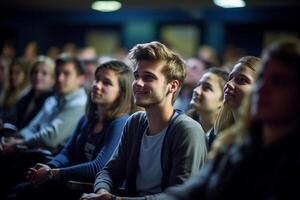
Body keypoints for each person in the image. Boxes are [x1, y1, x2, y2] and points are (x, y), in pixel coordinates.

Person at [162, 39, 300, 200]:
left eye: (277, 82)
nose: (262, 88)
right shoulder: (234, 145)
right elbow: (189, 192)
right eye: (262, 78)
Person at [80, 41, 207, 200]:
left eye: (148, 77)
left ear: (172, 86)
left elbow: (178, 196)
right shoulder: (135, 122)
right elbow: (108, 172)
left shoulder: (187, 130)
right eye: (137, 76)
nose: (138, 83)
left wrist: (114, 199)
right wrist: (102, 192)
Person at [7, 60, 136, 200]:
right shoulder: (87, 119)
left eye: (107, 82)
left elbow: (98, 167)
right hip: (68, 183)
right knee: (17, 190)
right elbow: (67, 152)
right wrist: (49, 166)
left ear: (122, 92)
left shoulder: (121, 123)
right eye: (97, 79)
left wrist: (52, 173)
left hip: (88, 192)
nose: (97, 85)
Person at [0, 54, 88, 198]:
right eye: (58, 73)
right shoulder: (53, 100)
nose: (60, 78)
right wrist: (13, 139)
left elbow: (50, 137)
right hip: (32, 155)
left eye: (66, 74)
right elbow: (32, 127)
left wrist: (17, 144)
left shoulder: (79, 104)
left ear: (80, 78)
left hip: (48, 161)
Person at [207, 56, 261, 149]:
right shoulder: (215, 134)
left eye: (242, 80)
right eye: (230, 78)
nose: (229, 84)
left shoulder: (262, 142)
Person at [2, 55, 55, 129]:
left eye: (44, 73)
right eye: (35, 72)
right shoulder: (27, 97)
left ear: (53, 79)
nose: (38, 76)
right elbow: (12, 117)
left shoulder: (52, 102)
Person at [186, 67, 229, 134]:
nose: (196, 90)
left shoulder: (226, 137)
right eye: (198, 85)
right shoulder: (184, 124)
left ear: (224, 100)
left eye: (207, 88)